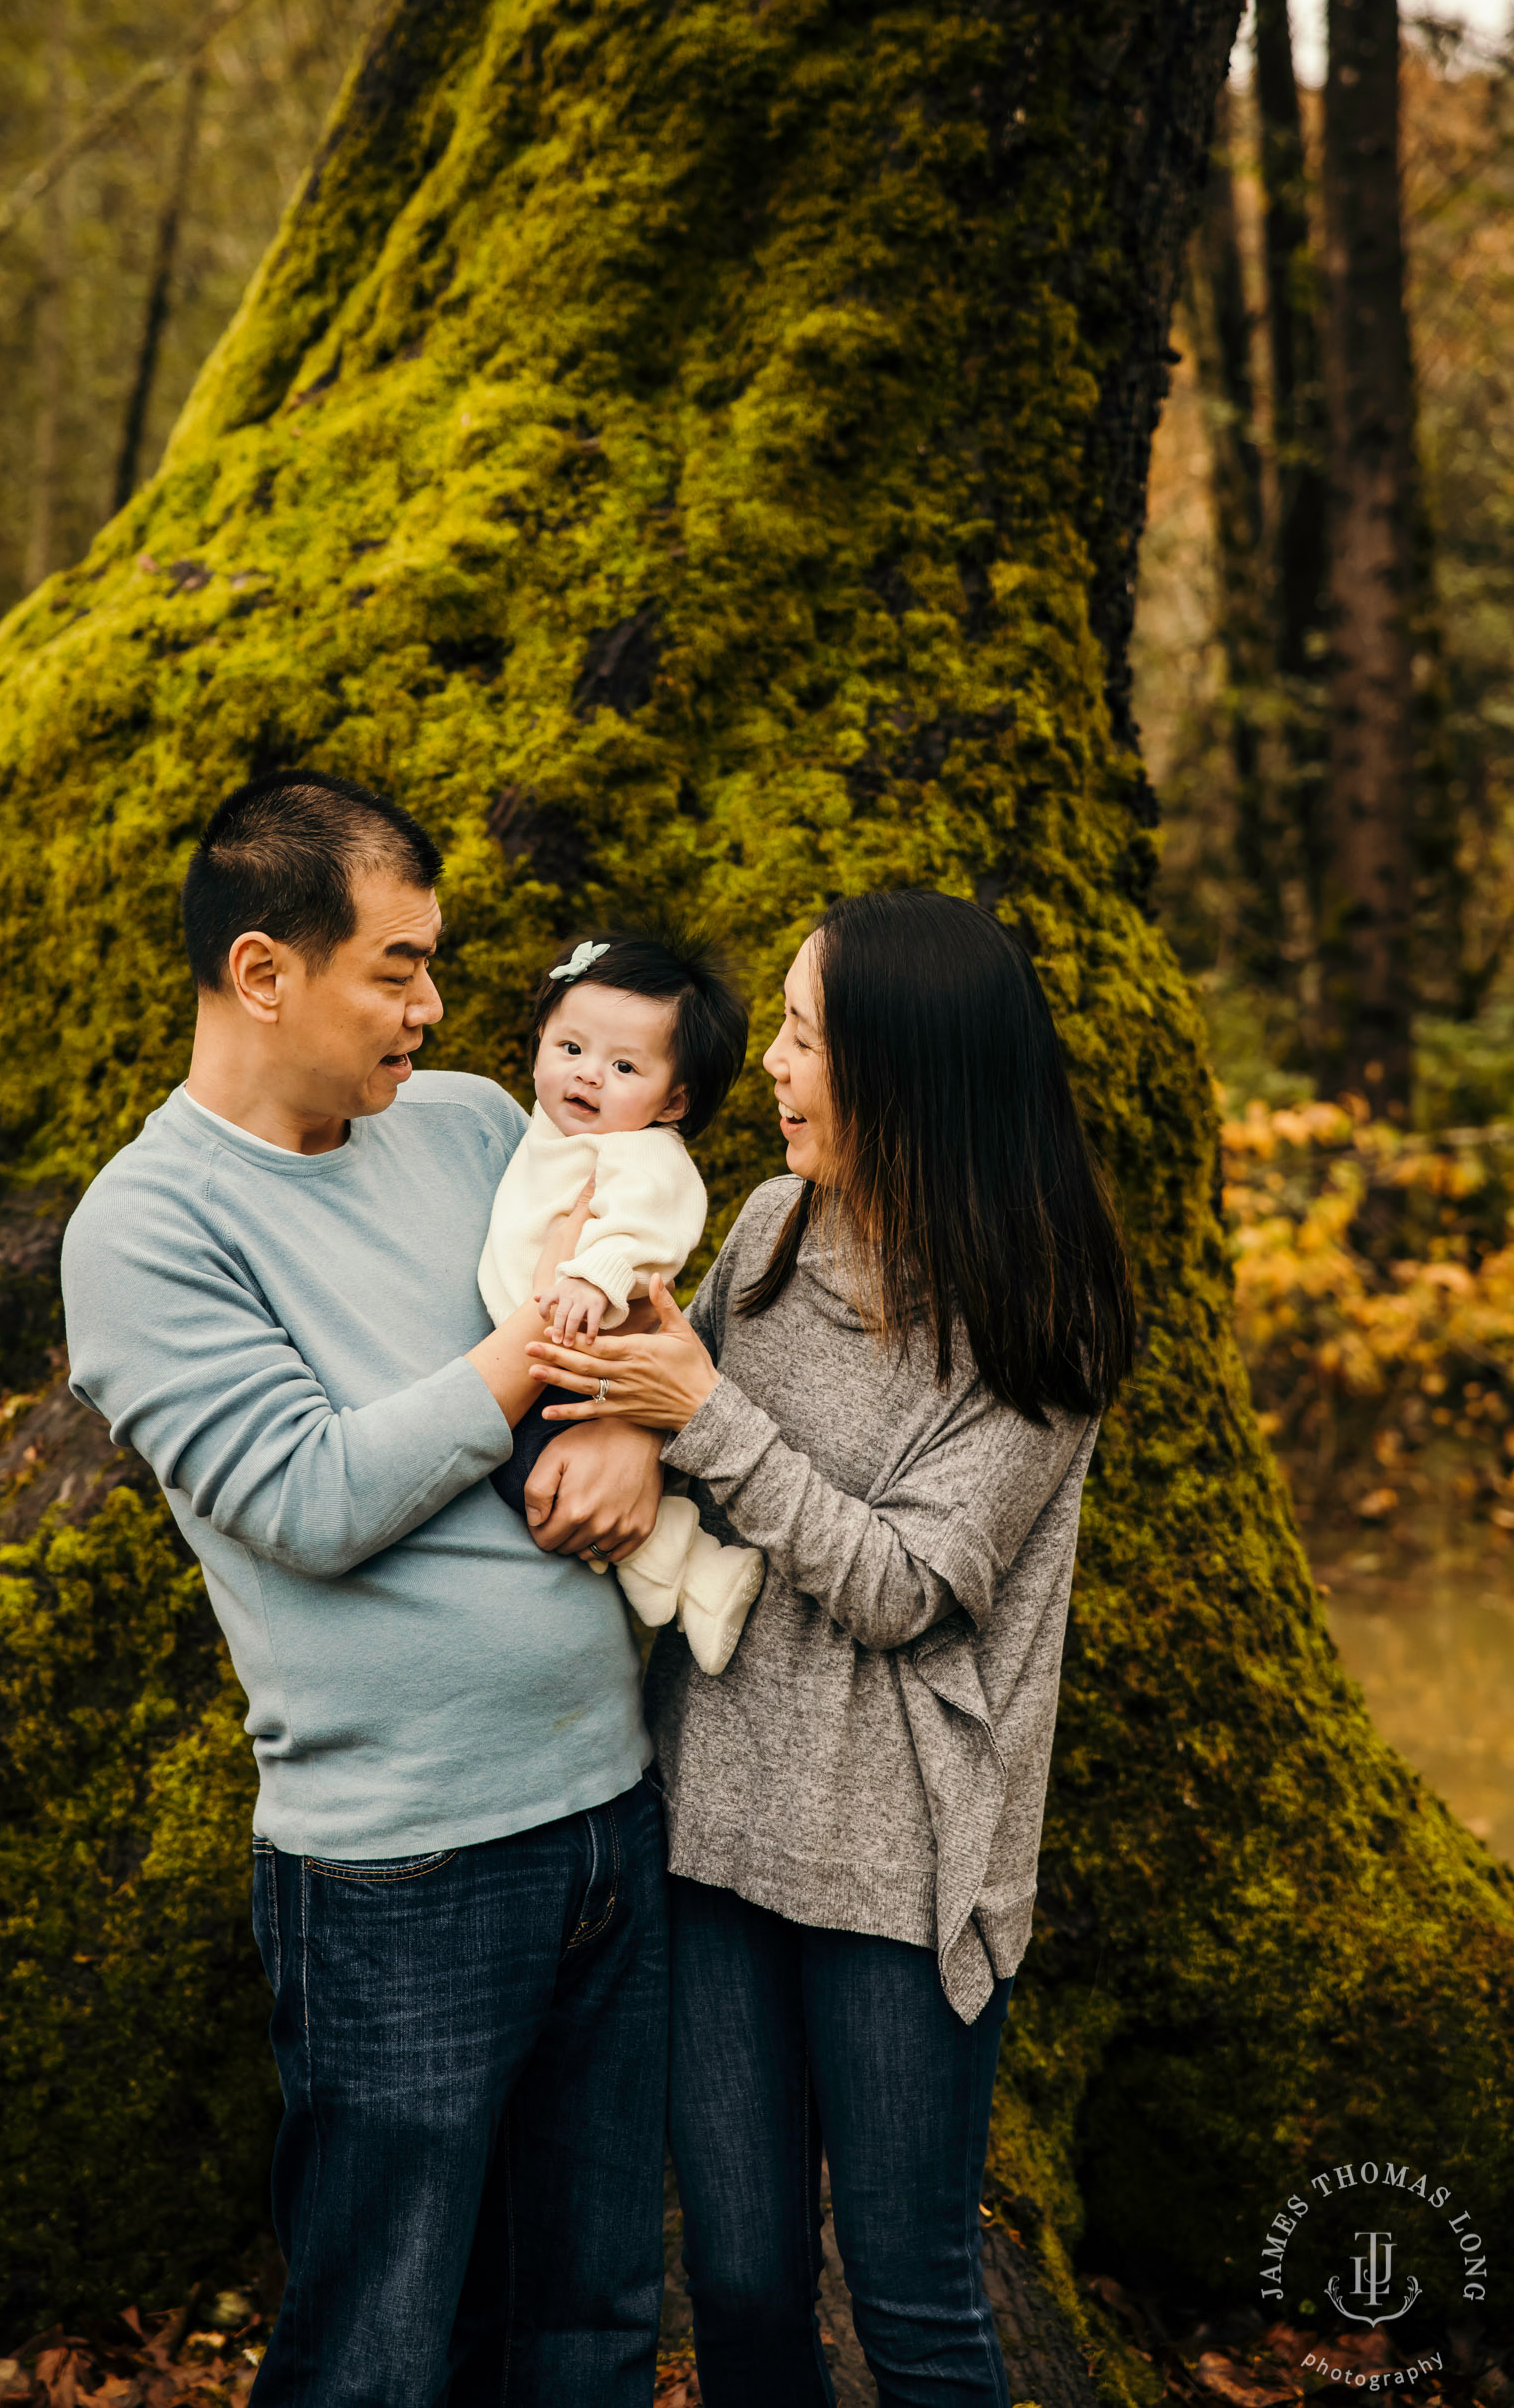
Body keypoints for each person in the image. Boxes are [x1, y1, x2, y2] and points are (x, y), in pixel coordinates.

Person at [60, 769, 671, 2408]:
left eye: (435, 965)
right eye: (394, 968)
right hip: (402, 1880)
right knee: (380, 2349)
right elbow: (310, 1496)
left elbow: (626, 1307)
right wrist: (520, 1360)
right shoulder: (144, 1230)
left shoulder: (476, 1125)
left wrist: (624, 1434)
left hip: (612, 1819)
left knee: (592, 2322)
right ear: (265, 972)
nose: (433, 1006)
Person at [526, 888, 1135, 2408]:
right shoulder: (767, 1227)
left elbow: (911, 1585)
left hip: (899, 1870)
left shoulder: (1036, 1312)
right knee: (734, 2285)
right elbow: (659, 1412)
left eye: (803, 1038)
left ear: (902, 1070)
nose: (773, 1070)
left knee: (911, 2294)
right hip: (712, 1827)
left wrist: (703, 1420)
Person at [480, 931, 763, 1672]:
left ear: (673, 1100)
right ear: (540, 1036)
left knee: (533, 1478)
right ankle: (672, 1575)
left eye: (624, 1066)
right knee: (533, 1479)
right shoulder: (546, 1128)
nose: (588, 1077)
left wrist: (594, 1273)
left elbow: (655, 1225)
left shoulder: (643, 1153)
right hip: (547, 1358)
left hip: (586, 1359)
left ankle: (693, 1569)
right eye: (570, 1048)